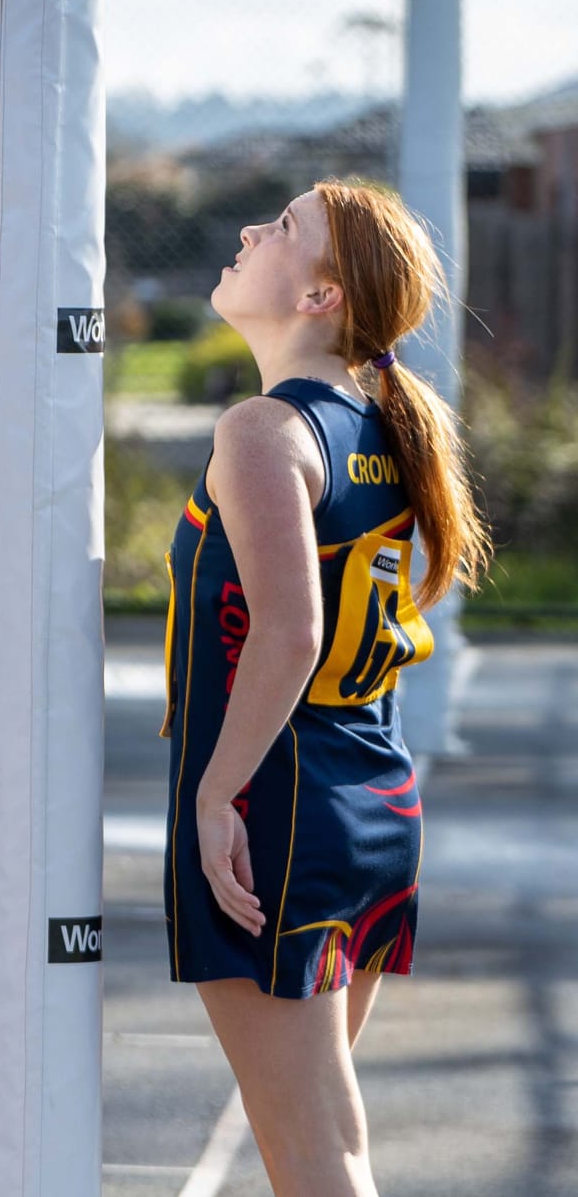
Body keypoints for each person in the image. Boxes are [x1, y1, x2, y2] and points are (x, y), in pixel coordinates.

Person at [163, 179, 493, 1197]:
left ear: (319, 297)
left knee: (318, 1163)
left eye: (284, 228)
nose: (250, 228)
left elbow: (290, 631)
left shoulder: (264, 429)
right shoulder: (383, 426)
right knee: (317, 1151)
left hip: (281, 809)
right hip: (369, 805)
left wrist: (214, 794)